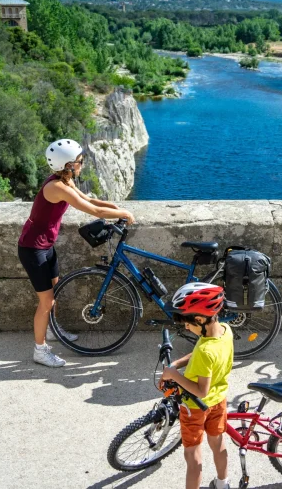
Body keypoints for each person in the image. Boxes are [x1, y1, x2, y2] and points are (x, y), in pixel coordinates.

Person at [17, 139, 135, 367]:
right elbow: (92, 210)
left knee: (55, 290)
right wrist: (124, 213)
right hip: (33, 249)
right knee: (46, 303)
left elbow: (91, 200)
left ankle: (51, 330)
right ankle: (39, 351)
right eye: (79, 161)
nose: (82, 164)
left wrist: (116, 208)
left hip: (45, 246)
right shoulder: (56, 187)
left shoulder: (64, 180)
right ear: (68, 165)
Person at [161, 283, 234, 489]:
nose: (186, 327)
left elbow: (201, 390)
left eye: (187, 323)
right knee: (218, 444)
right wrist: (178, 363)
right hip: (219, 400)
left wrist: (174, 374)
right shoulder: (225, 331)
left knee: (193, 456)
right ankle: (223, 483)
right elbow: (202, 355)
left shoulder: (205, 352)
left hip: (194, 406)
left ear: (200, 319)